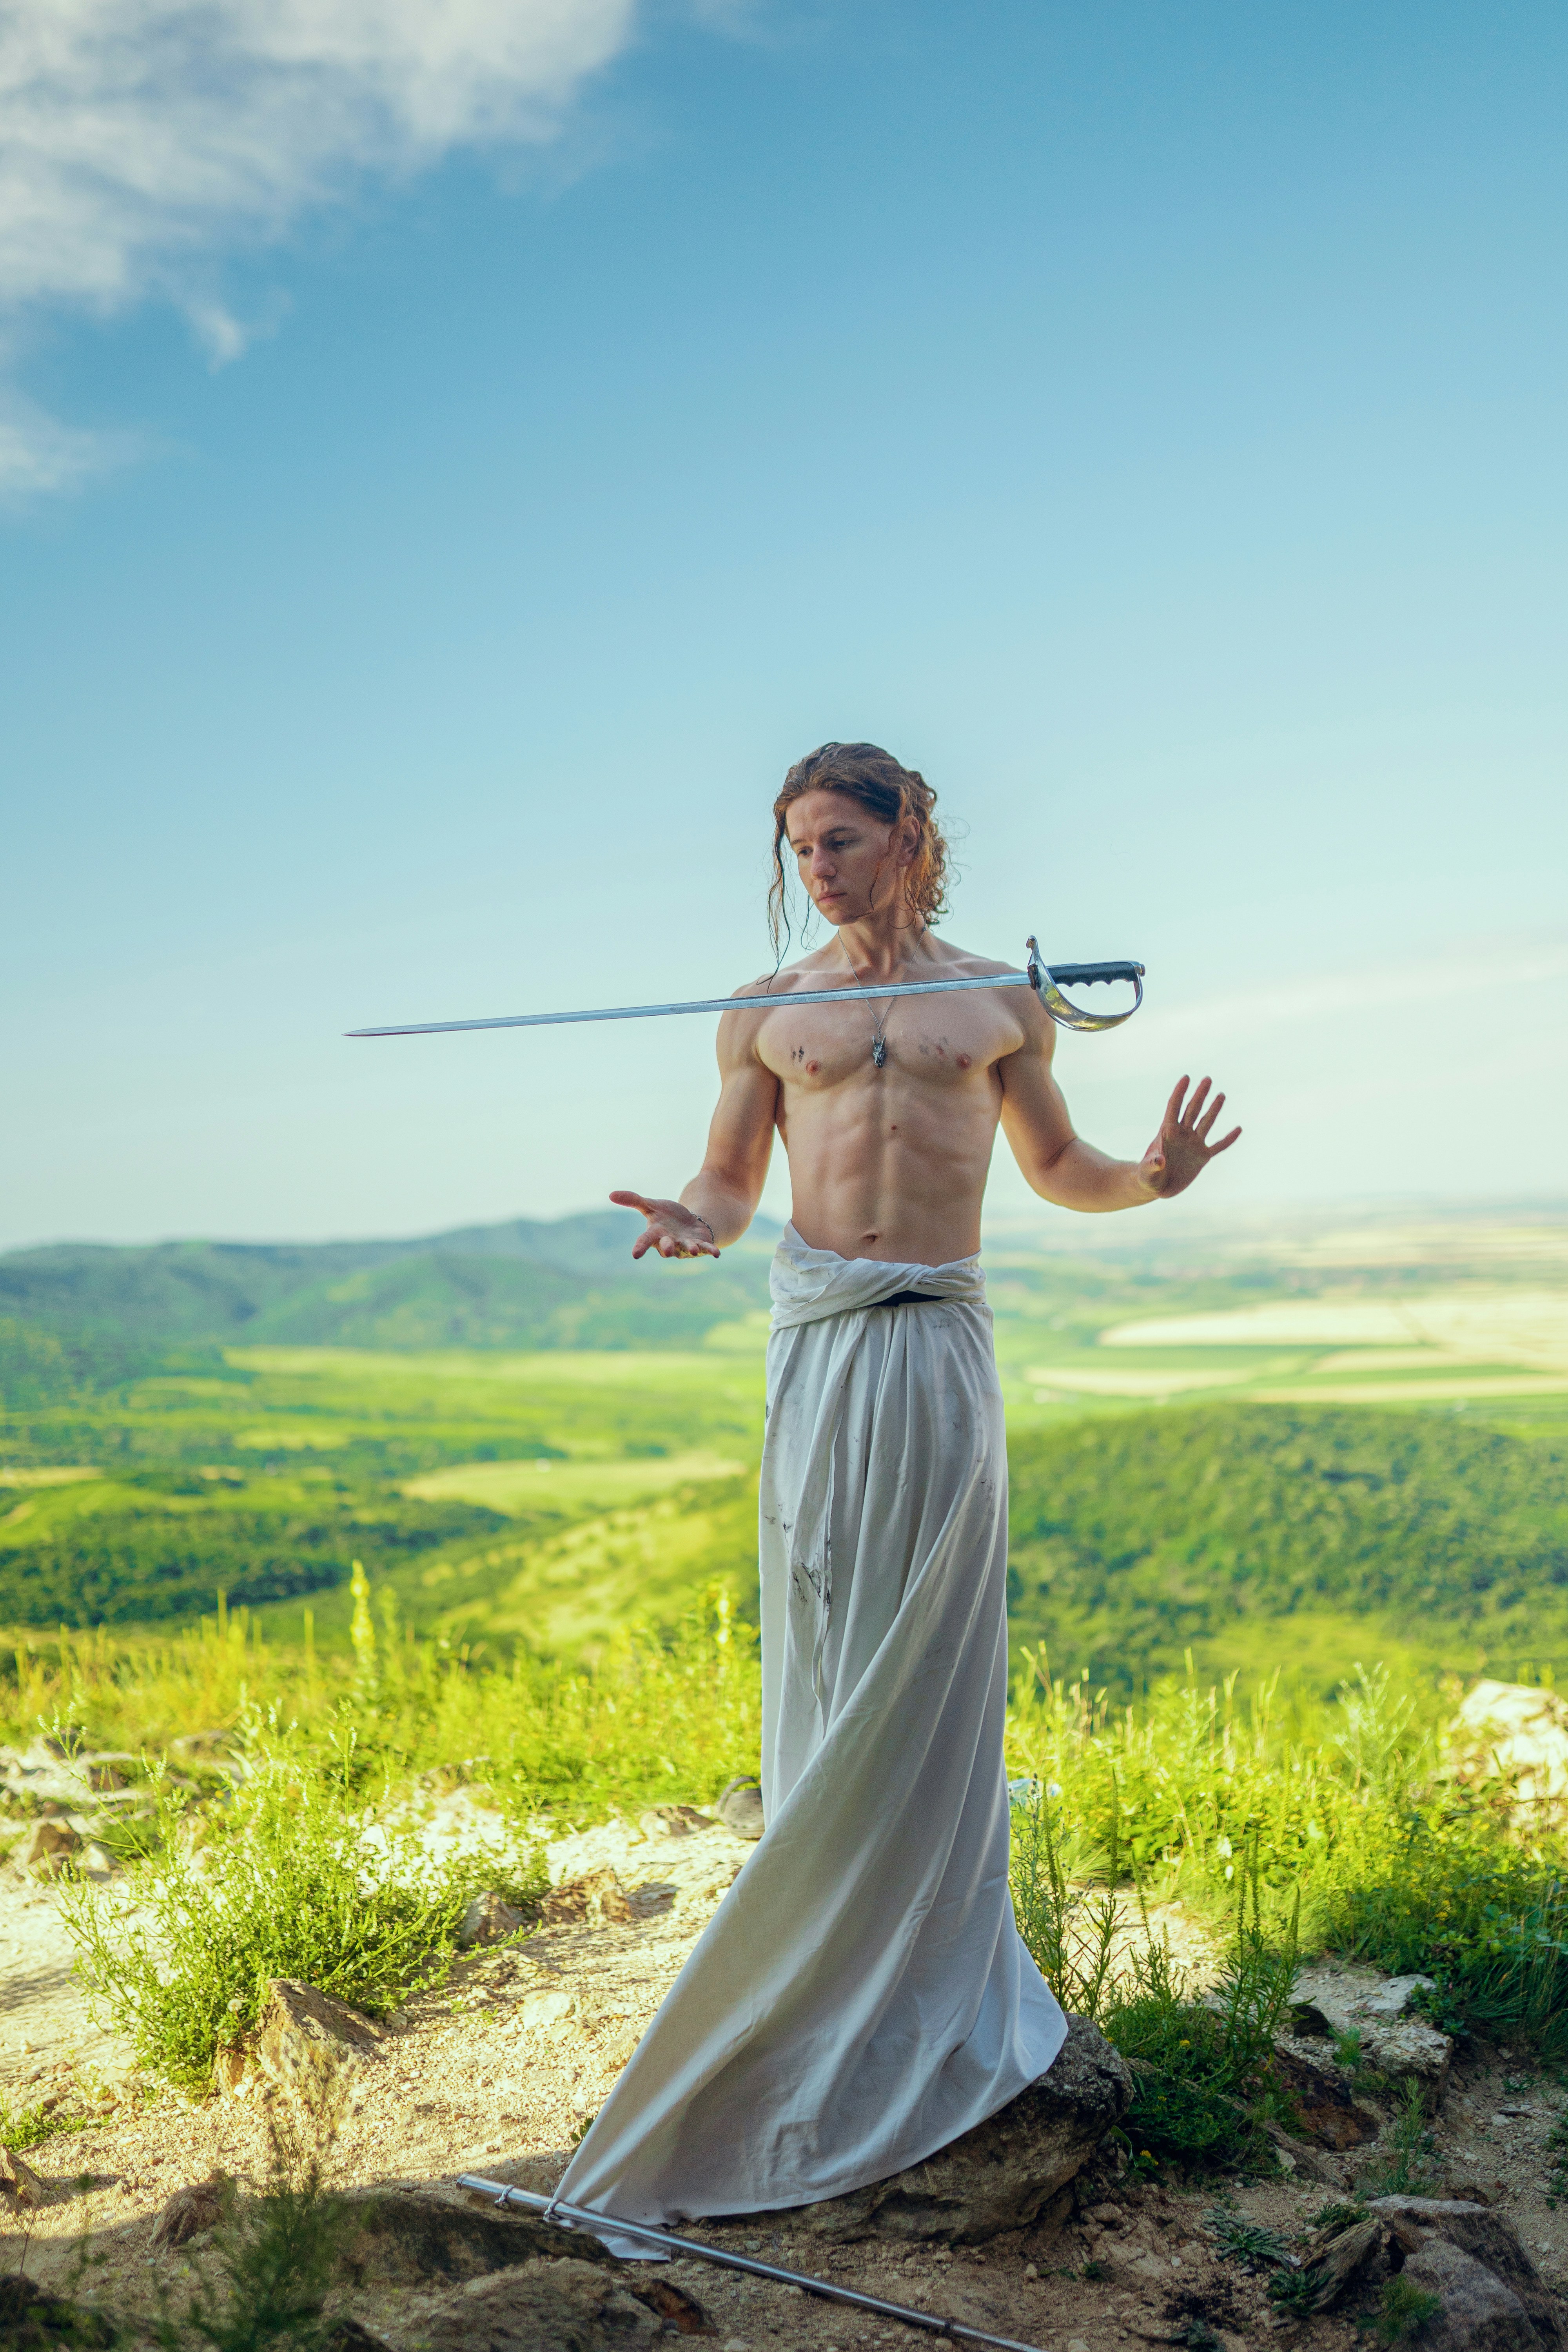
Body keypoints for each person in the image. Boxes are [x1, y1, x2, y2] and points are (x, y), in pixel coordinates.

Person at [553, 741, 1240, 2245]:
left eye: (844, 839)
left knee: (930, 1657)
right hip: (824, 1353)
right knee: (833, 1635)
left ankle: (923, 1970)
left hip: (939, 1349)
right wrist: (697, 1219)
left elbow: (1059, 1168)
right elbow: (735, 1183)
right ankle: (808, 1967)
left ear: (909, 836)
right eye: (801, 845)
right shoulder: (764, 1012)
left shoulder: (998, 999)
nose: (820, 866)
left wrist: (1156, 1179)